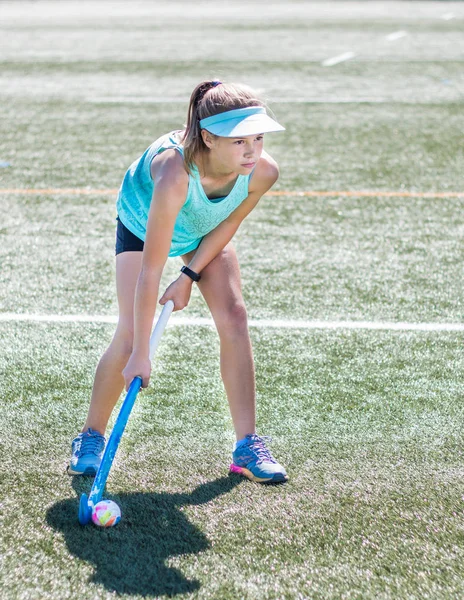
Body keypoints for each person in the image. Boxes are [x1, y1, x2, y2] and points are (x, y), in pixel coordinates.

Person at [68, 80, 288, 484]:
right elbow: (151, 269)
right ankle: (90, 437)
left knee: (235, 317)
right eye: (239, 141)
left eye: (257, 138)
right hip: (142, 225)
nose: (253, 150)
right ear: (207, 137)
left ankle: (247, 445)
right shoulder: (174, 173)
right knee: (133, 333)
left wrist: (189, 274)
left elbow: (231, 221)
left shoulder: (263, 172)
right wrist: (140, 356)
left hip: (204, 229)